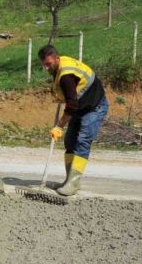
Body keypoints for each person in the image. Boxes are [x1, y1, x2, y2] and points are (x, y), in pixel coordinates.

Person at [38, 45, 108, 196]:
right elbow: (71, 97)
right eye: (44, 64)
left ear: (57, 58)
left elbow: (72, 104)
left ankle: (73, 183)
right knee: (70, 142)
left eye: (49, 64)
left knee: (82, 141)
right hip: (80, 106)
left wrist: (59, 126)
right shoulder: (58, 67)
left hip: (94, 107)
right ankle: (68, 180)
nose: (46, 68)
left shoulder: (66, 75)